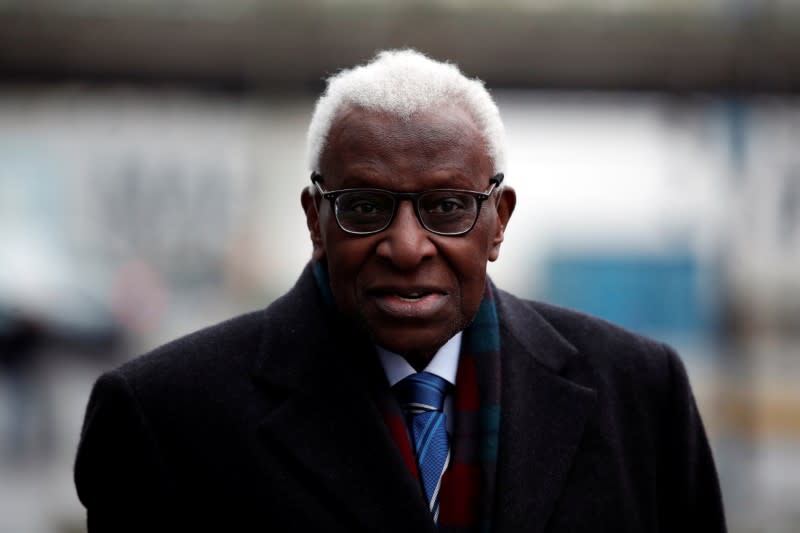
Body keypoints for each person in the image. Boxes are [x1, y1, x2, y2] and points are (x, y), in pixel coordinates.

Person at [74, 49, 726, 532]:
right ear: (315, 220)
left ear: (498, 222)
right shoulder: (162, 415)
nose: (408, 247)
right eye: (364, 206)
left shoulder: (641, 394)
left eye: (446, 206)